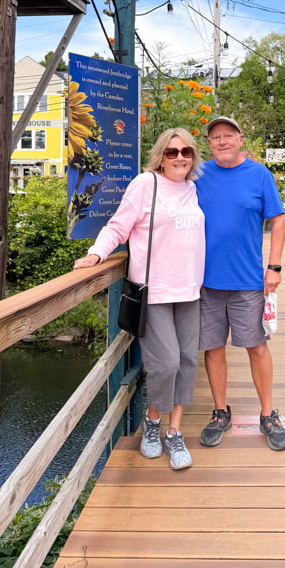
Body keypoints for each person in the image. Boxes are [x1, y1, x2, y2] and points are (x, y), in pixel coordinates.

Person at [74, 128, 204, 470]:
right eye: (172, 152)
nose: (179, 157)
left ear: (193, 157)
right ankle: (152, 422)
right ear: (160, 156)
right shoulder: (146, 184)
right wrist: (97, 254)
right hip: (154, 292)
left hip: (189, 290)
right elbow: (118, 226)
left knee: (188, 362)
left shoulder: (192, 188)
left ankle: (174, 432)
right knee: (167, 363)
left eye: (186, 152)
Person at [195, 116, 285, 451]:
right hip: (205, 281)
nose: (221, 141)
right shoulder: (198, 175)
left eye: (228, 136)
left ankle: (268, 414)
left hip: (248, 281)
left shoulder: (259, 174)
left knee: (257, 346)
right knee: (212, 348)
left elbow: (278, 221)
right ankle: (220, 411)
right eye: (215, 137)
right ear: (209, 143)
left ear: (240, 139)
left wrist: (273, 267)